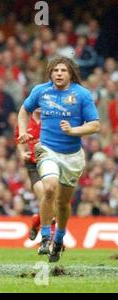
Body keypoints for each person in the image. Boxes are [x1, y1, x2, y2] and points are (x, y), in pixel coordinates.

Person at [18, 56, 100, 262]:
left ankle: (58, 239)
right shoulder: (40, 91)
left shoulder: (82, 95)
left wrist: (74, 130)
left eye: (63, 70)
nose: (59, 74)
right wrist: (22, 131)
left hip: (72, 156)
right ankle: (45, 237)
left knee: (63, 203)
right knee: (49, 188)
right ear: (50, 73)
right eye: (55, 70)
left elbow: (95, 125)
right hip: (47, 149)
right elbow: (23, 111)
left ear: (70, 73)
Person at [14, 108, 56, 240]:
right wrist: (22, 152)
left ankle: (36, 221)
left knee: (52, 198)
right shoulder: (24, 121)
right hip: (33, 164)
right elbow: (18, 139)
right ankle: (50, 236)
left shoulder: (50, 121)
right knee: (45, 195)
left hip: (50, 163)